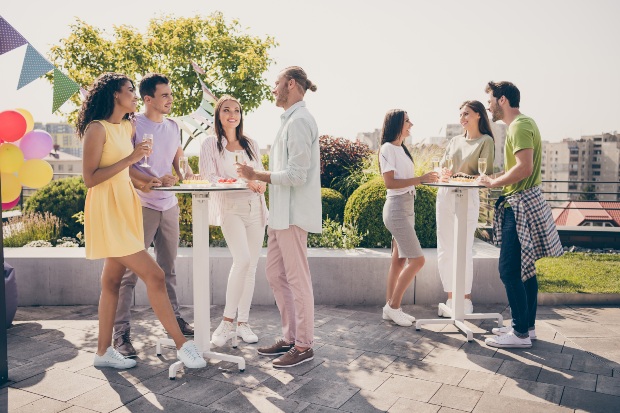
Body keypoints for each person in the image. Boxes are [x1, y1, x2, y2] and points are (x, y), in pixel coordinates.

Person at [79, 72, 206, 369]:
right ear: (115, 95)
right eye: (130, 91)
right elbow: (90, 178)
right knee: (156, 275)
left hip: (127, 207)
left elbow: (131, 172)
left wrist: (146, 182)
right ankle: (182, 345)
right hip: (108, 211)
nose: (135, 96)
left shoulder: (125, 127)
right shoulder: (96, 129)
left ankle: (102, 353)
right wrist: (131, 158)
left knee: (111, 282)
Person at [236, 66, 320, 368]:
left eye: (277, 83)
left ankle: (304, 345)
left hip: (293, 216)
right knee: (275, 274)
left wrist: (255, 174)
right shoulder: (290, 120)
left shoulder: (299, 122)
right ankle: (290, 337)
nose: (273, 89)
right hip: (279, 216)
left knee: (298, 281)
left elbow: (297, 176)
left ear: (291, 84)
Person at [113, 73, 195, 358]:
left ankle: (173, 322)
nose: (170, 100)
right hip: (141, 205)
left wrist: (184, 173)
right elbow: (123, 165)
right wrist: (146, 180)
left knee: (168, 269)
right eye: (164, 96)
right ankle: (120, 334)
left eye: (170, 95)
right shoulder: (132, 125)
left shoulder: (174, 126)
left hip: (169, 206)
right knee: (129, 275)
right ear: (147, 99)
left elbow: (179, 157)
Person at [478, 81, 562, 348]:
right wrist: (497, 178)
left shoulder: (520, 126)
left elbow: (524, 168)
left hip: (520, 205)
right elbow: (520, 169)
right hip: (521, 201)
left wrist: (493, 183)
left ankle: (519, 334)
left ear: (502, 100)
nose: (489, 106)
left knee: (509, 270)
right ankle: (528, 327)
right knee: (525, 270)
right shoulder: (522, 124)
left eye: (490, 100)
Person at [199, 95, 268, 348]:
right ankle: (227, 322)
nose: (232, 114)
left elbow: (259, 173)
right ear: (218, 115)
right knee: (242, 260)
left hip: (255, 207)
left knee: (251, 267)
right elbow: (209, 177)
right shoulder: (210, 144)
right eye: (226, 110)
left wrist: (259, 183)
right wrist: (243, 182)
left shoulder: (251, 143)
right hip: (230, 208)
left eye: (237, 110)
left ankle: (243, 324)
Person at [379, 109, 438, 327]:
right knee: (418, 260)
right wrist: (420, 179)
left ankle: (389, 307)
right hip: (396, 209)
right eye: (407, 121)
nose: (411, 124)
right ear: (397, 124)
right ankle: (393, 307)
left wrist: (423, 180)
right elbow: (390, 183)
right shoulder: (387, 149)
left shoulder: (401, 149)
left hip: (407, 207)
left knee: (399, 260)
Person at [436, 101, 495, 316]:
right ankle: (451, 298)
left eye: (467, 114)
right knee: (445, 248)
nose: (462, 118)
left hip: (467, 196)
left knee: (463, 248)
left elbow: (484, 175)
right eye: (460, 114)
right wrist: (444, 173)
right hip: (445, 195)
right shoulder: (454, 141)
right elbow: (443, 167)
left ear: (479, 115)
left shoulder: (486, 141)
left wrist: (461, 177)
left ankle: (465, 299)